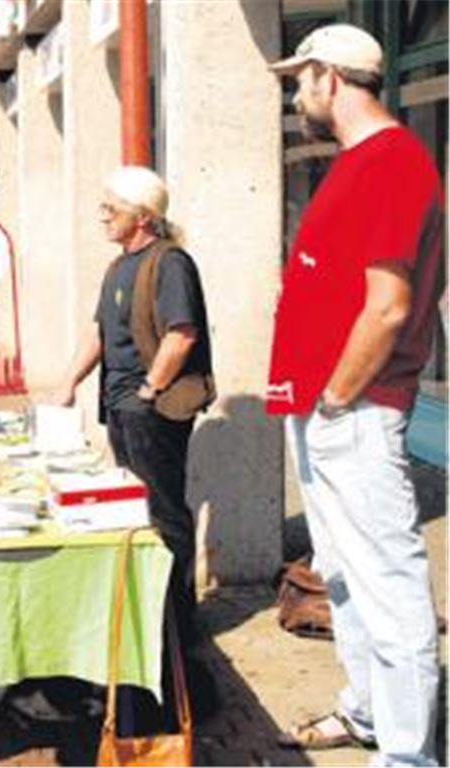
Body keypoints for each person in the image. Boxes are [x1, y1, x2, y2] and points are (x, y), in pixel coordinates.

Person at [266, 24, 443, 765]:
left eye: (300, 78)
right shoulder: (358, 162)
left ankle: (407, 754)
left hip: (357, 410)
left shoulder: (394, 164)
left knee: (387, 583)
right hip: (326, 408)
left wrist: (338, 394)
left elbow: (390, 305)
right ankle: (367, 710)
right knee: (343, 574)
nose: (296, 92)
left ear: (329, 78)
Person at [53, 165, 215, 712]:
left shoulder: (170, 264)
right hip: (121, 408)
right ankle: (152, 616)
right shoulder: (117, 266)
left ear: (143, 217)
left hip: (152, 409)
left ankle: (178, 625)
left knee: (164, 514)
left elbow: (181, 332)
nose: (102, 214)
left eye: (111, 207)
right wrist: (69, 381)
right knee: (137, 514)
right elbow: (100, 331)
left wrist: (149, 390)